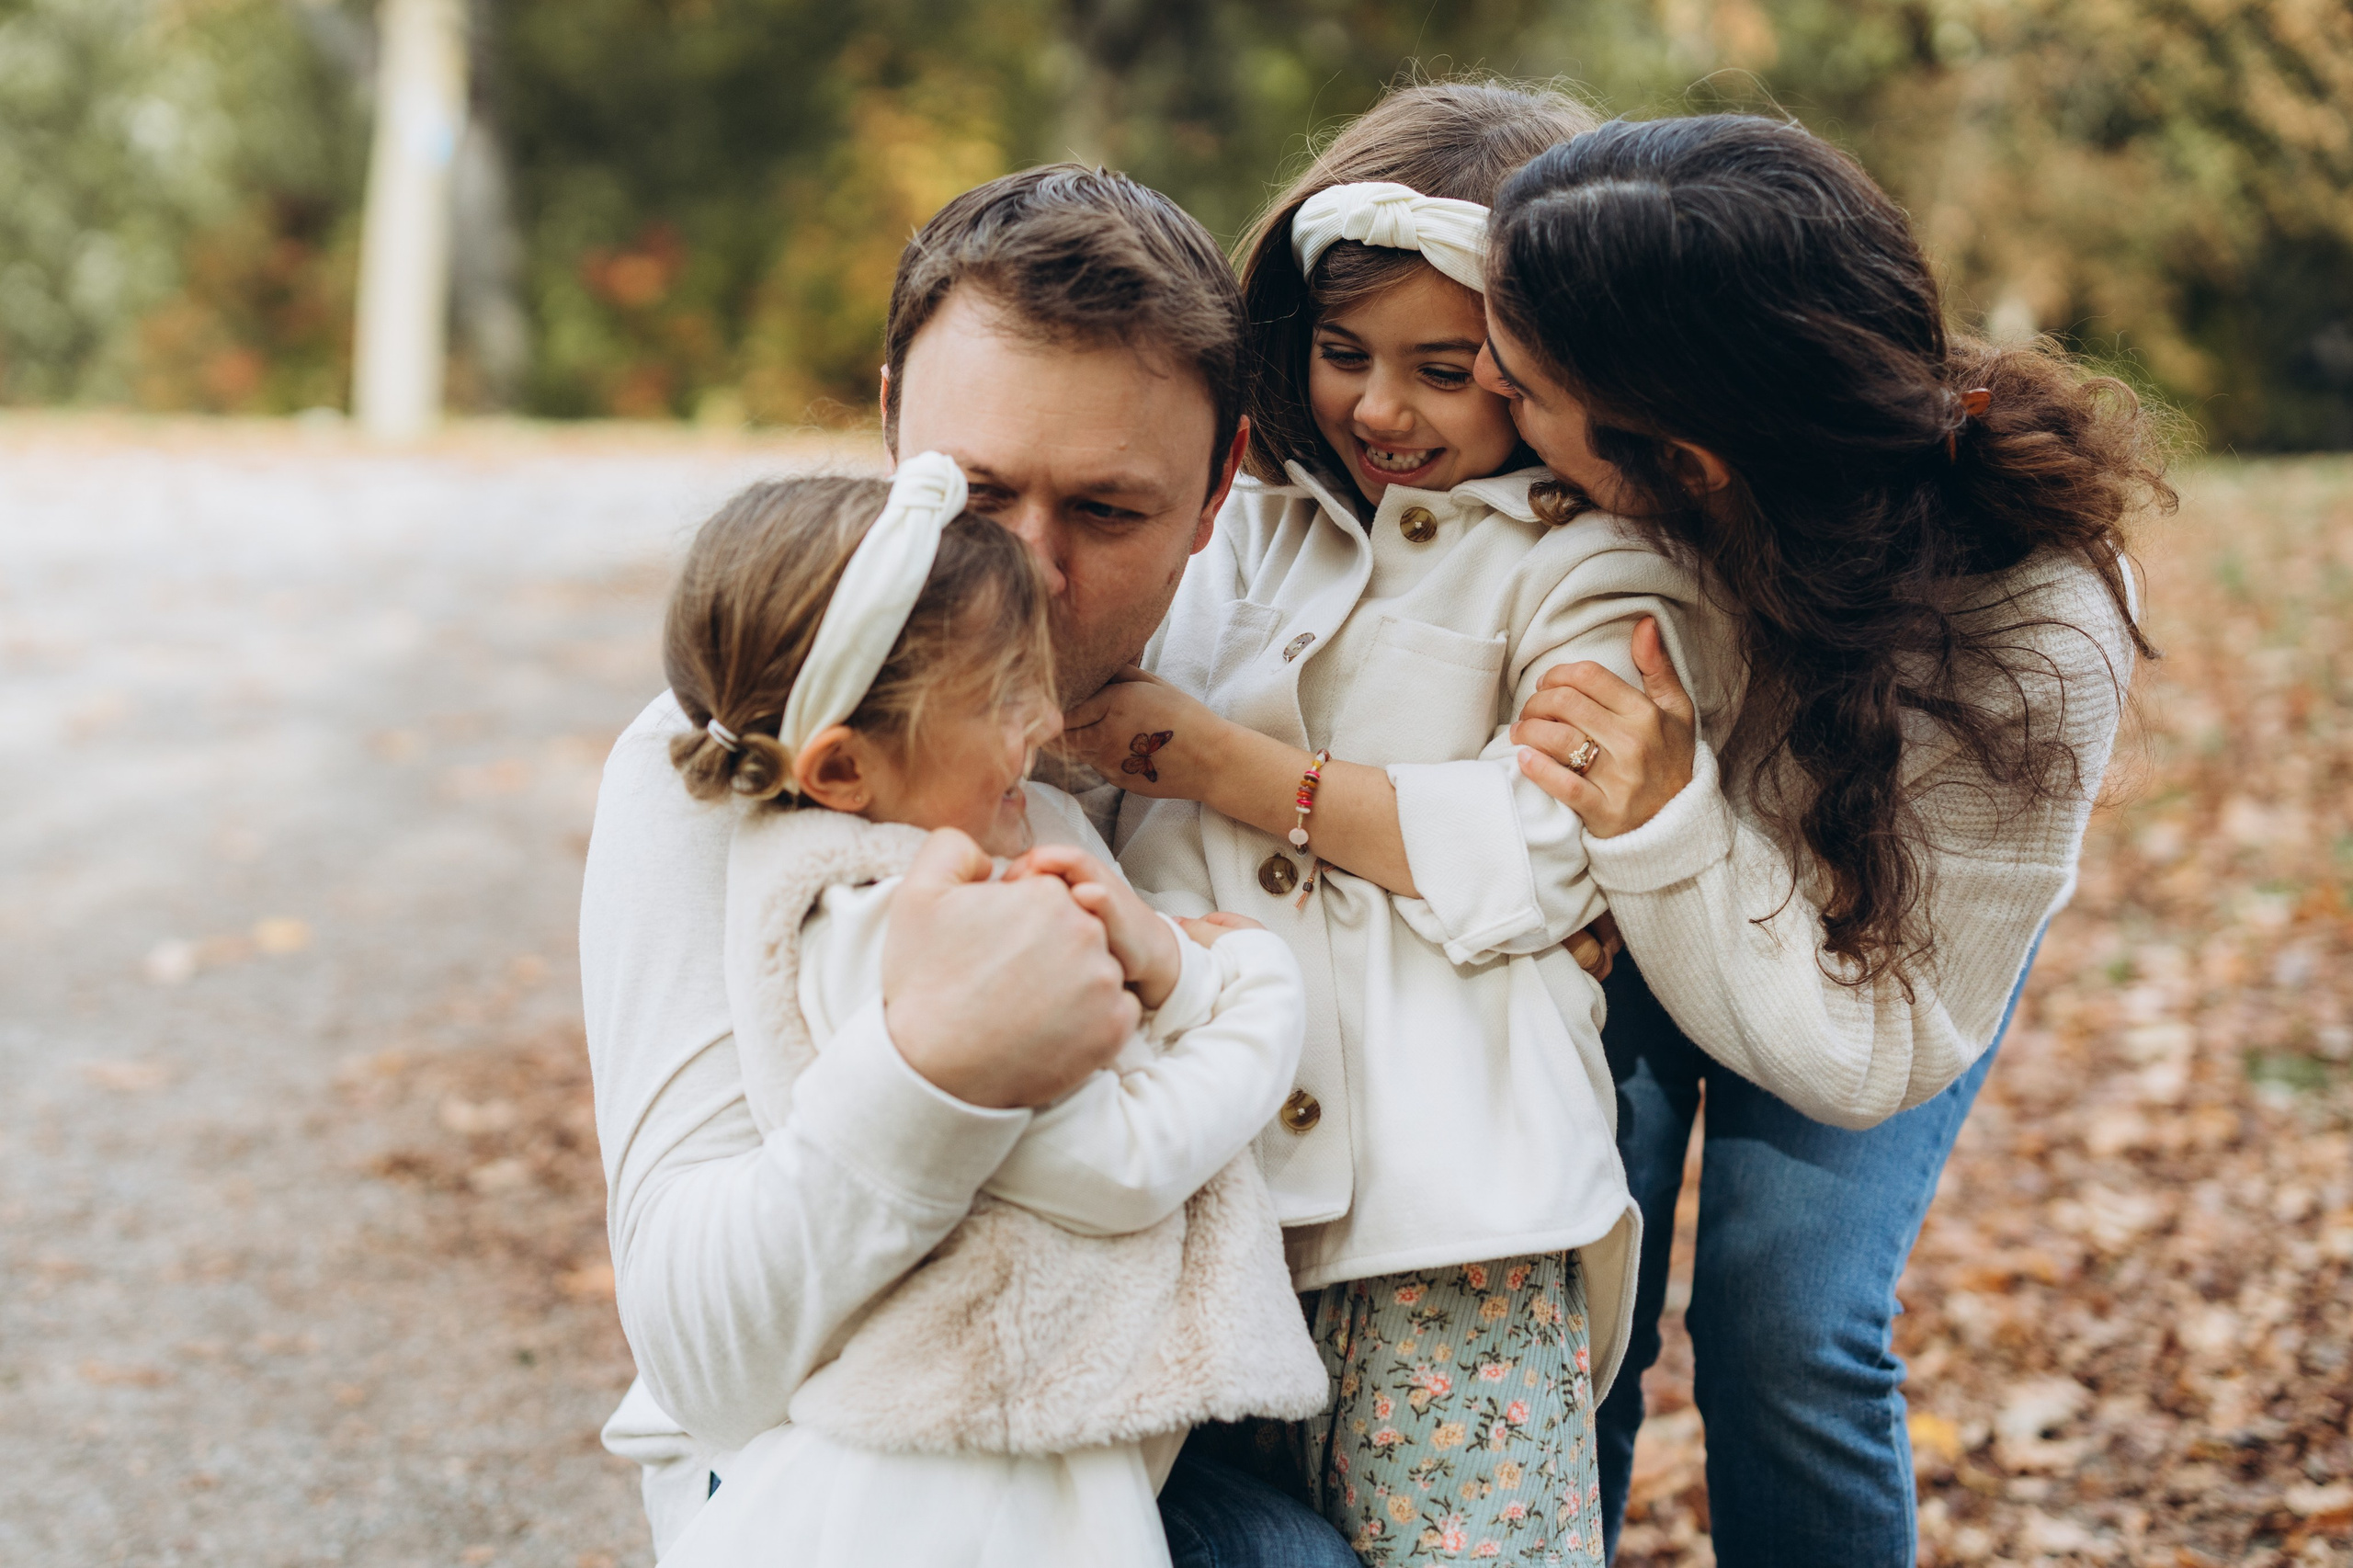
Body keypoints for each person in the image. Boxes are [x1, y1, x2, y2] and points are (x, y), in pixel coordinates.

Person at [583, 165, 1367, 1564]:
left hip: (1179, 1410)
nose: (1028, 571)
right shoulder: (734, 751)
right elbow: (700, 1360)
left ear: (1220, 486)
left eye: (1111, 512)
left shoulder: (1287, 685)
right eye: (972, 492)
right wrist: (930, 1069)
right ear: (890, 422)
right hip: (845, 1478)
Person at [1474, 115, 2167, 1563]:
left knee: (1788, 1316)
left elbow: (1880, 1043)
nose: (1482, 386)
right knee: (1572, 1290)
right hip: (1642, 887)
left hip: (1880, 961)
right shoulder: (1583, 478)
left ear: (1685, 459)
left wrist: (1667, 819)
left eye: (1523, 382)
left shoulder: (2038, 625)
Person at [1065, 83, 1739, 1564]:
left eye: (1447, 368)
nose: (1379, 408)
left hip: (1451, 1220)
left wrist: (1233, 769)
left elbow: (1543, 844)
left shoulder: (1594, 568)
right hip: (1203, 1183)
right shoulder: (1245, 524)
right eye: (1341, 353)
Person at [642, 458, 1325, 1568]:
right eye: (1006, 692)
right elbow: (1123, 1162)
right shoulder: (906, 926)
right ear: (843, 768)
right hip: (952, 1493)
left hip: (988, 1453)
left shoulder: (875, 877)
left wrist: (1166, 970)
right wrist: (1252, 993)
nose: (1047, 716)